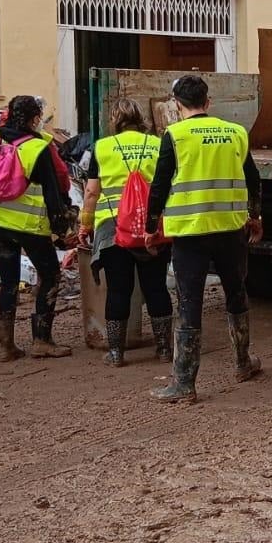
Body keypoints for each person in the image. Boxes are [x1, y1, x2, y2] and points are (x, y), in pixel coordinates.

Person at [145, 75, 264, 403]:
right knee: (236, 293)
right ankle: (242, 363)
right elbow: (253, 180)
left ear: (177, 105)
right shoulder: (236, 133)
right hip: (230, 229)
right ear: (208, 102)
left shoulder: (175, 134)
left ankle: (184, 382)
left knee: (189, 302)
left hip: (190, 233)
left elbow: (159, 185)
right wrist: (255, 218)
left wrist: (150, 225)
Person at [0, 95, 74, 361]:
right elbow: (54, 192)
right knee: (50, 275)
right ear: (34, 119)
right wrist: (62, 228)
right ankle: (41, 340)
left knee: (8, 283)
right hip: (28, 224)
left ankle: (6, 346)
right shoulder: (37, 147)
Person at [78, 99, 172, 367]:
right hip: (151, 228)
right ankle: (164, 348)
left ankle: (117, 353)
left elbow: (92, 191)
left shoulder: (102, 147)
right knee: (155, 287)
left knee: (119, 290)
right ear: (140, 118)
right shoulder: (157, 143)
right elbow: (168, 184)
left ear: (115, 120)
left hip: (113, 230)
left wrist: (85, 224)